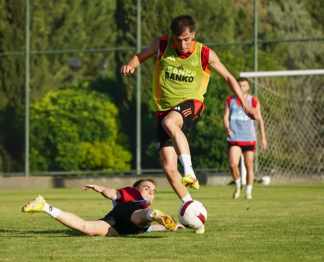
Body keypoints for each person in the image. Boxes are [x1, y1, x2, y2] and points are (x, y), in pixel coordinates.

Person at [120, 15, 258, 205]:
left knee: (170, 122)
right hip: (163, 109)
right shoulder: (161, 44)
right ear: (172, 36)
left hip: (192, 104)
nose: (183, 44)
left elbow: (227, 77)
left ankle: (189, 171)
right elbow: (140, 56)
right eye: (178, 40)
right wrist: (130, 65)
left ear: (193, 34)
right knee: (168, 167)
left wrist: (245, 105)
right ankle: (191, 207)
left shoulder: (204, 53)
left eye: (186, 39)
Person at [21, 179, 184, 236]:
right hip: (132, 214)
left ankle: (44, 206)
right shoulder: (133, 193)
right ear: (137, 188)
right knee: (142, 215)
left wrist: (173, 225)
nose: (150, 192)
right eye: (146, 188)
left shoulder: (143, 217)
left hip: (118, 225)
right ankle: (153, 214)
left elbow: (151, 228)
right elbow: (115, 194)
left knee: (87, 228)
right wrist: (102, 189)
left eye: (153, 191)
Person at [223, 77, 267, 199]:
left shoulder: (253, 101)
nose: (241, 87)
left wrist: (263, 138)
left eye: (243, 85)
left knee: (249, 164)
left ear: (247, 87)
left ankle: (248, 191)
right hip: (235, 138)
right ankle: (238, 184)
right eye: (239, 85)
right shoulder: (230, 100)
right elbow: (226, 117)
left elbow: (260, 120)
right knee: (233, 164)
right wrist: (228, 129)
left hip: (248, 138)